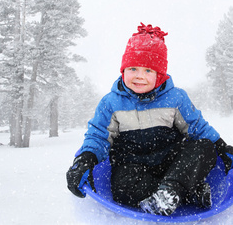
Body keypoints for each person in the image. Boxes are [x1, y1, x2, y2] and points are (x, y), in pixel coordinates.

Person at [66, 23, 233, 216]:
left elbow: (197, 127)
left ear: (159, 75)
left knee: (204, 147)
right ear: (123, 70)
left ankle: (171, 189)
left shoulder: (176, 98)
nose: (139, 76)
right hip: (133, 166)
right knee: (121, 188)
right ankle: (183, 192)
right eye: (133, 69)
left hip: (173, 163)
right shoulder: (111, 103)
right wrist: (85, 160)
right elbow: (98, 136)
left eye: (148, 71)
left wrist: (220, 147)